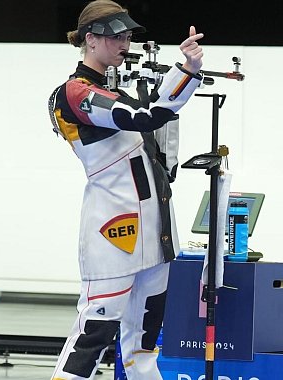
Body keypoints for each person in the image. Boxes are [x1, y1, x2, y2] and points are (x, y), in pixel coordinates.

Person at [46, 1, 204, 379]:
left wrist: (183, 75)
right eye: (116, 36)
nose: (125, 44)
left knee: (145, 348)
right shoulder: (73, 92)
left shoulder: (116, 90)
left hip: (156, 232)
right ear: (90, 39)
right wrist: (186, 71)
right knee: (92, 339)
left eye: (128, 36)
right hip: (113, 234)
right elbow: (143, 117)